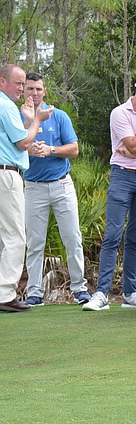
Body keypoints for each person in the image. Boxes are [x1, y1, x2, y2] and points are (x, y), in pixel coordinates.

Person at [83, 74, 136, 311]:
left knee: (134, 239)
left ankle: (130, 293)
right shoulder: (119, 113)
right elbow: (131, 144)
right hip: (122, 177)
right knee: (112, 236)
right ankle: (101, 293)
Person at [21, 73, 91, 306]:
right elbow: (14, 146)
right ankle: (34, 292)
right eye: (29, 89)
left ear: (45, 90)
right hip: (33, 186)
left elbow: (74, 149)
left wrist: (50, 150)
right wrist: (29, 150)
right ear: (24, 91)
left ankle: (80, 288)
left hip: (61, 184)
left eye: (38, 89)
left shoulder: (58, 116)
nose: (34, 93)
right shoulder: (17, 117)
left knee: (72, 237)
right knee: (35, 241)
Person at [0, 64, 53, 312]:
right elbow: (22, 142)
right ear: (2, 82)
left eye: (24, 84)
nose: (22, 89)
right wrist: (38, 120)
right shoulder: (5, 105)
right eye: (18, 83)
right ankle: (5, 294)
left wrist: (28, 123)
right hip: (7, 175)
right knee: (15, 236)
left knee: (6, 235)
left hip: (6, 171)